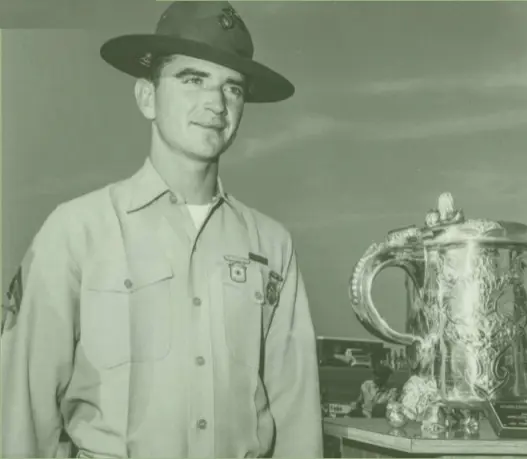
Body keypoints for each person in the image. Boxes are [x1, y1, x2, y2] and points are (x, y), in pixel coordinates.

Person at [1, 2, 323, 458]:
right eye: (193, 80)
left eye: (232, 88)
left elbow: (297, 421)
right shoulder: (77, 232)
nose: (215, 103)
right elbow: (22, 418)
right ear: (147, 97)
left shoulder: (272, 247)